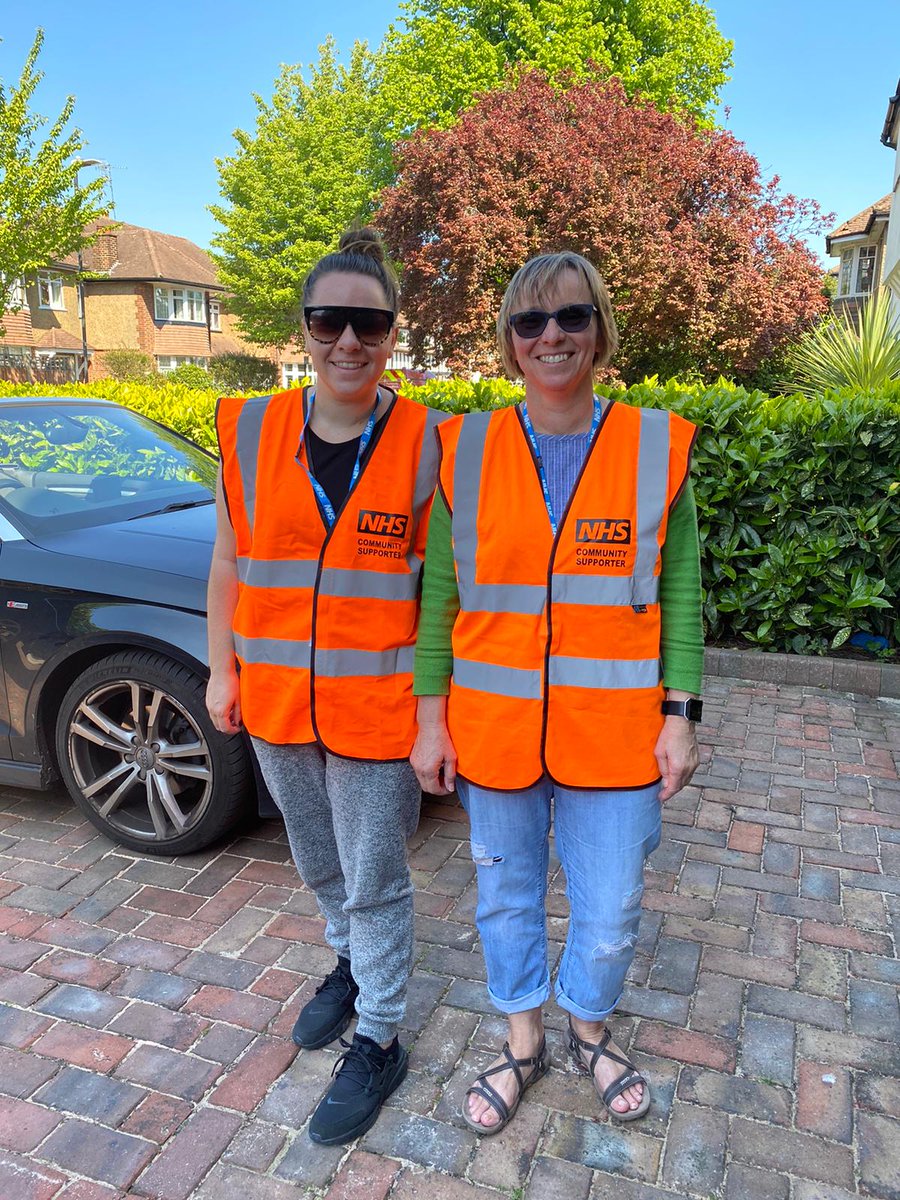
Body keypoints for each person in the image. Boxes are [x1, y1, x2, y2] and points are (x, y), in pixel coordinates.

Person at [411, 250, 703, 1134]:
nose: (551, 337)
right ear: (508, 341)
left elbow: (683, 590)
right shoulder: (464, 450)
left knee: (611, 908)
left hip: (613, 736)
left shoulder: (657, 447)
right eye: (531, 322)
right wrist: (431, 721)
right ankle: (524, 1041)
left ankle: (589, 1026)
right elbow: (439, 600)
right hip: (495, 732)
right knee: (506, 896)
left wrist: (680, 715)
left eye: (571, 317)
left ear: (599, 330)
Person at [208, 227, 446, 1147]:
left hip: (378, 711)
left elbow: (441, 595)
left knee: (376, 876)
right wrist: (220, 665)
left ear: (392, 332)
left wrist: (435, 713)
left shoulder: (433, 442)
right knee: (317, 864)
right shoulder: (251, 429)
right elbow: (230, 557)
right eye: (328, 320)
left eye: (369, 322)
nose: (348, 341)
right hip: (276, 704)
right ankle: (347, 966)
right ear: (302, 328)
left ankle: (380, 1036)